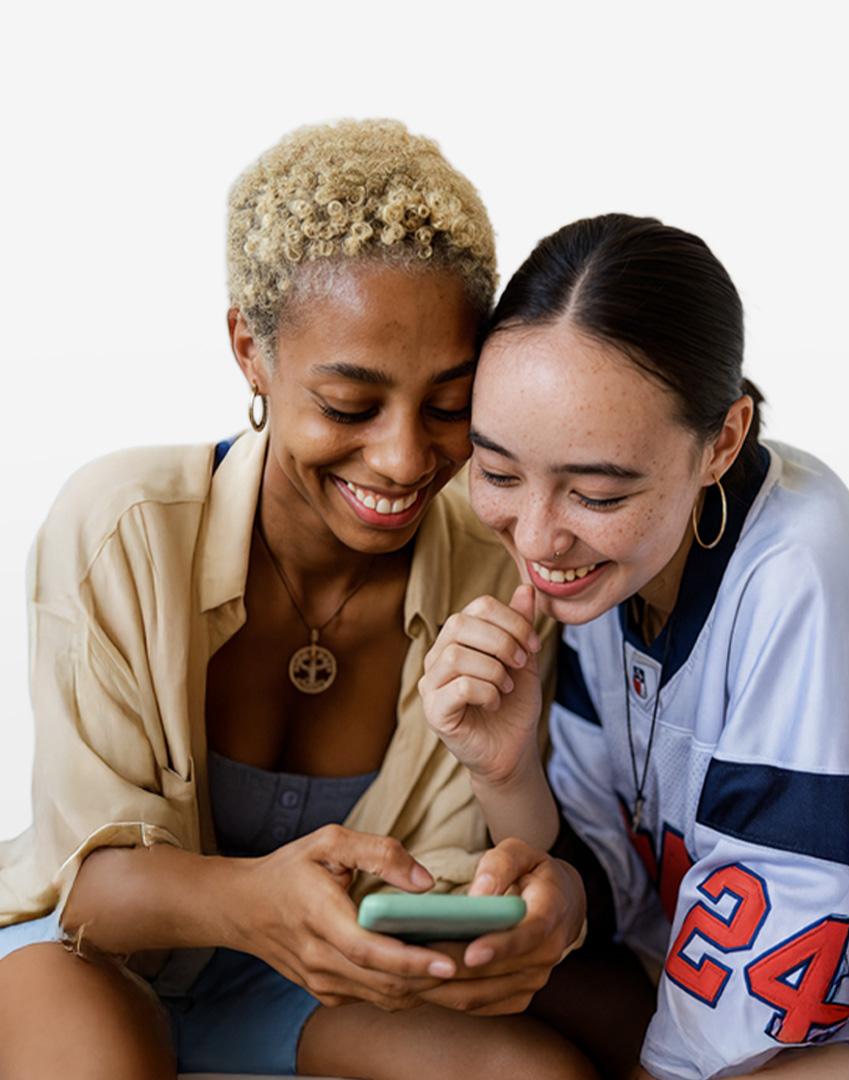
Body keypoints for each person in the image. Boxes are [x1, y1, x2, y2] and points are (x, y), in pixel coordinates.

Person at [420, 213, 849, 1079]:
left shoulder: (801, 570)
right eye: (499, 473)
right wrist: (503, 771)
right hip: (783, 984)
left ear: (721, 441)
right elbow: (601, 896)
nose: (539, 537)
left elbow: (764, 988)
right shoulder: (606, 571)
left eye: (596, 493)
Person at [0, 120, 593, 1080]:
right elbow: (88, 890)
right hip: (88, 958)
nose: (406, 461)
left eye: (448, 404)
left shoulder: (492, 560)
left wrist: (535, 898)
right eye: (350, 406)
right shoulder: (122, 526)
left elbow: (457, 867)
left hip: (317, 990)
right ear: (251, 351)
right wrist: (256, 904)